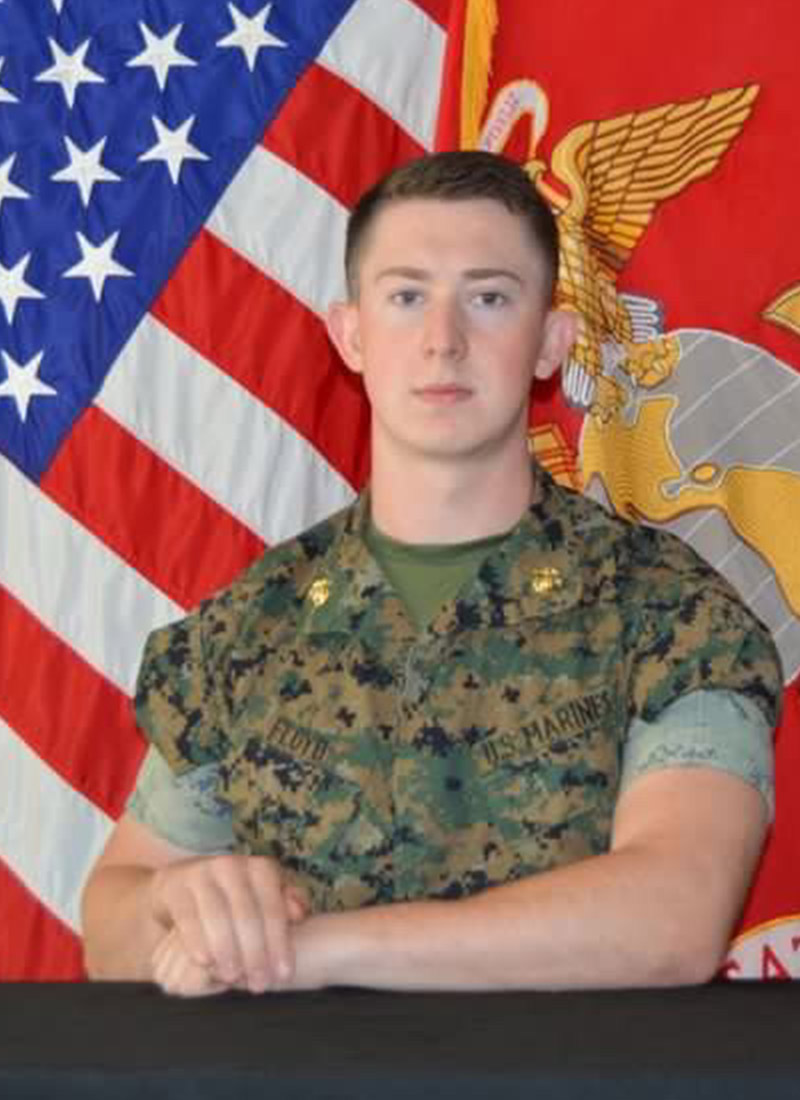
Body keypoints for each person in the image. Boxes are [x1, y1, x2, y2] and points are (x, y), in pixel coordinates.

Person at [81, 150, 782, 997]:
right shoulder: (245, 631)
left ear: (551, 343)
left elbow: (674, 916)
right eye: (406, 297)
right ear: (351, 335)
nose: (443, 341)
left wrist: (312, 952)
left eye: (489, 299)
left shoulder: (669, 614)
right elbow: (112, 925)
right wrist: (178, 899)